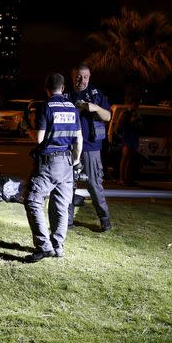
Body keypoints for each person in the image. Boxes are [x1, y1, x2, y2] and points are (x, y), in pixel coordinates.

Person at [23, 73, 82, 262]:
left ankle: (44, 246)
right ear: (63, 88)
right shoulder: (73, 108)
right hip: (67, 161)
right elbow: (78, 139)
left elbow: (39, 139)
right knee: (61, 206)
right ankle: (58, 247)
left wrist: (27, 130)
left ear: (47, 89)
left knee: (33, 201)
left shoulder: (46, 106)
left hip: (49, 161)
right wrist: (75, 159)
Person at [66, 63, 112, 232]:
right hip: (69, 147)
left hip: (91, 147)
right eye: (78, 76)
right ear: (73, 76)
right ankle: (67, 221)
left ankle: (104, 219)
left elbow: (107, 117)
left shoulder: (96, 94)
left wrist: (94, 107)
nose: (82, 80)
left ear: (89, 77)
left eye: (85, 77)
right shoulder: (66, 94)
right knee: (68, 184)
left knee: (94, 184)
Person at [116, 99, 141, 185]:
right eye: (135, 105)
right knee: (125, 157)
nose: (137, 107)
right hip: (127, 138)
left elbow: (139, 126)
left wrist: (138, 120)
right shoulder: (125, 114)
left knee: (130, 159)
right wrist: (131, 121)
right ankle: (121, 178)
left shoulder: (137, 114)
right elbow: (120, 127)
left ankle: (127, 178)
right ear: (131, 105)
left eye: (137, 106)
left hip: (134, 138)